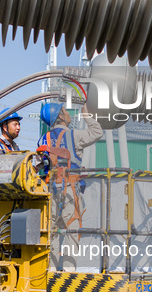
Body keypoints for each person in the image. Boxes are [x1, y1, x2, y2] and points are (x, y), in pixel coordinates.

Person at [37, 103, 103, 270]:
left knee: (51, 229)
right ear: (60, 116)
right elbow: (97, 132)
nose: (68, 114)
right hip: (69, 190)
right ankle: (68, 269)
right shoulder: (74, 136)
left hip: (49, 190)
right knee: (72, 228)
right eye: (65, 111)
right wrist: (87, 116)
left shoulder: (43, 139)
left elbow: (37, 165)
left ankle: (50, 269)